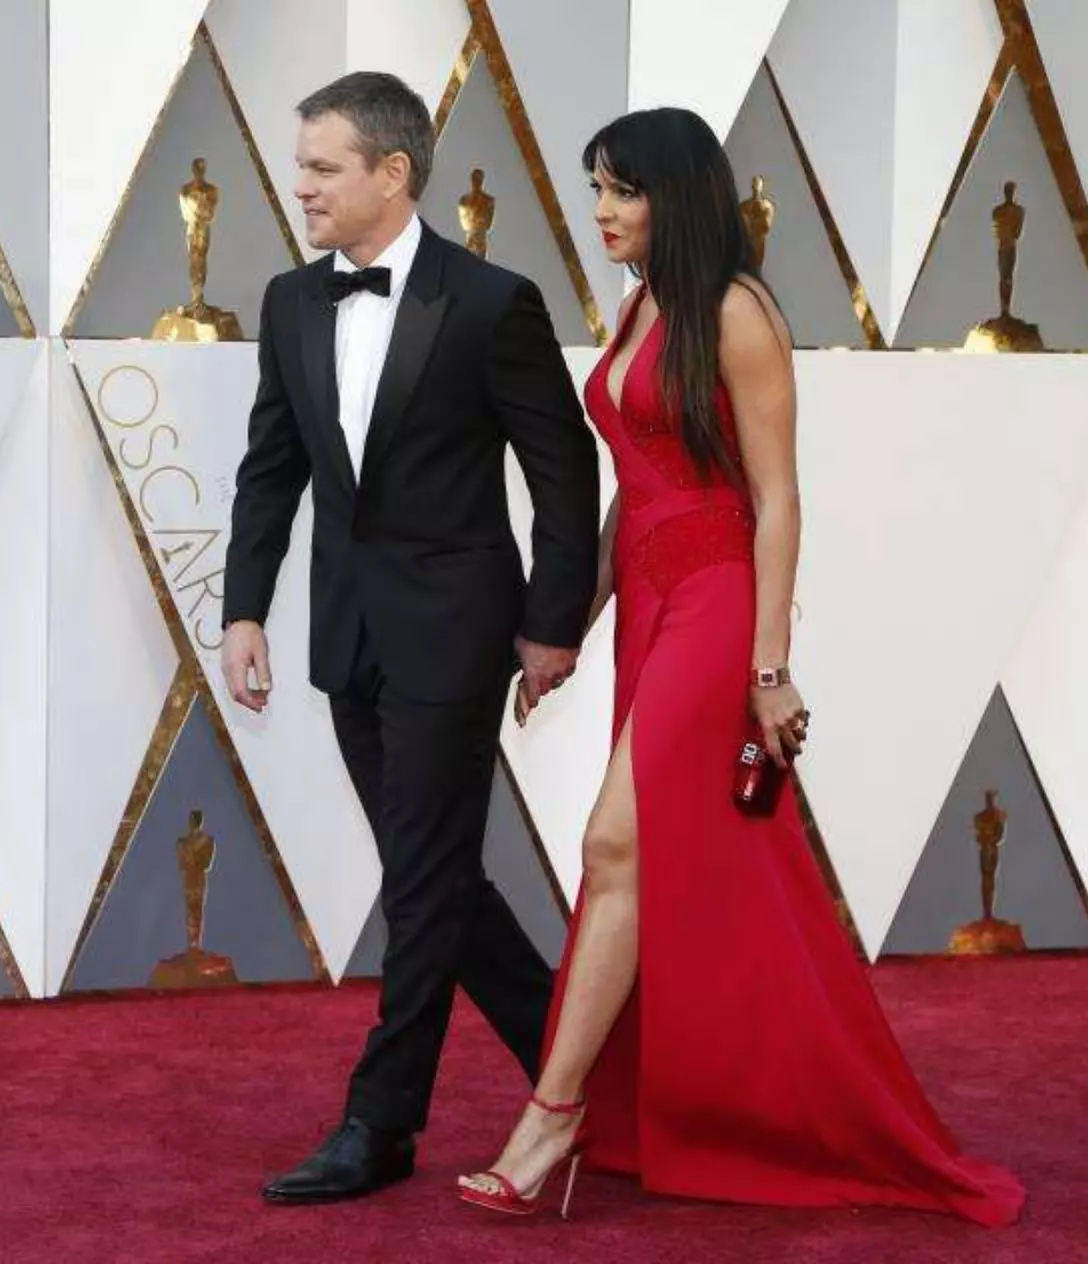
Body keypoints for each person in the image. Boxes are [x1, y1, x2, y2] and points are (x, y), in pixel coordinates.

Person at [457, 107, 1026, 1228]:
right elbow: (641, 479)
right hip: (652, 599)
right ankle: (610, 1107)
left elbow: (776, 496)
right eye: (596, 193)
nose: (603, 213)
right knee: (655, 855)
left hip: (718, 600)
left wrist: (769, 669)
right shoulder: (641, 306)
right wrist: (570, 618)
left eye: (621, 191)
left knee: (615, 837)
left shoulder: (735, 312)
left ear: (679, 194)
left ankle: (554, 1113)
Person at [219, 72, 600, 1204]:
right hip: (346, 629)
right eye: (301, 168)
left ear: (394, 172)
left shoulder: (490, 301)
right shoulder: (291, 301)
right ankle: (577, 1066)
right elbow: (269, 468)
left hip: (456, 629)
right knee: (430, 875)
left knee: (423, 880)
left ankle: (379, 1124)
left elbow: (563, 470)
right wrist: (244, 607)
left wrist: (550, 623)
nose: (302, 188)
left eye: (324, 167)